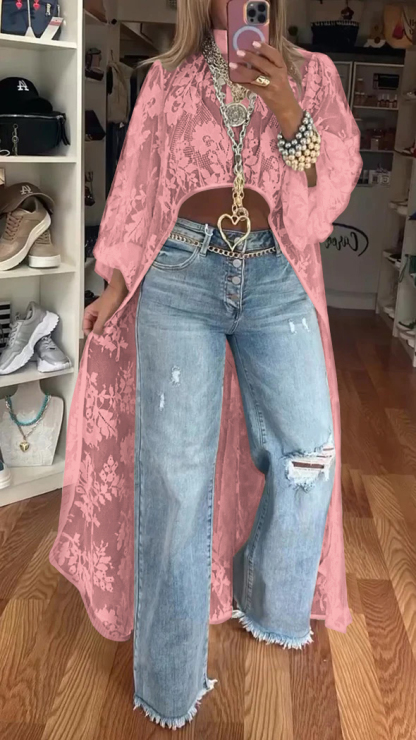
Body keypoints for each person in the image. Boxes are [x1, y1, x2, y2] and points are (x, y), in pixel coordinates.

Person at [49, 0, 363, 731]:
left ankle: (266, 593)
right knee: (175, 482)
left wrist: (289, 110)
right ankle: (169, 680)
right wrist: (115, 284)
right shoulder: (168, 76)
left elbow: (326, 196)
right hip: (179, 273)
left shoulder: (313, 74)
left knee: (309, 453)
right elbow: (137, 186)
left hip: (277, 273)